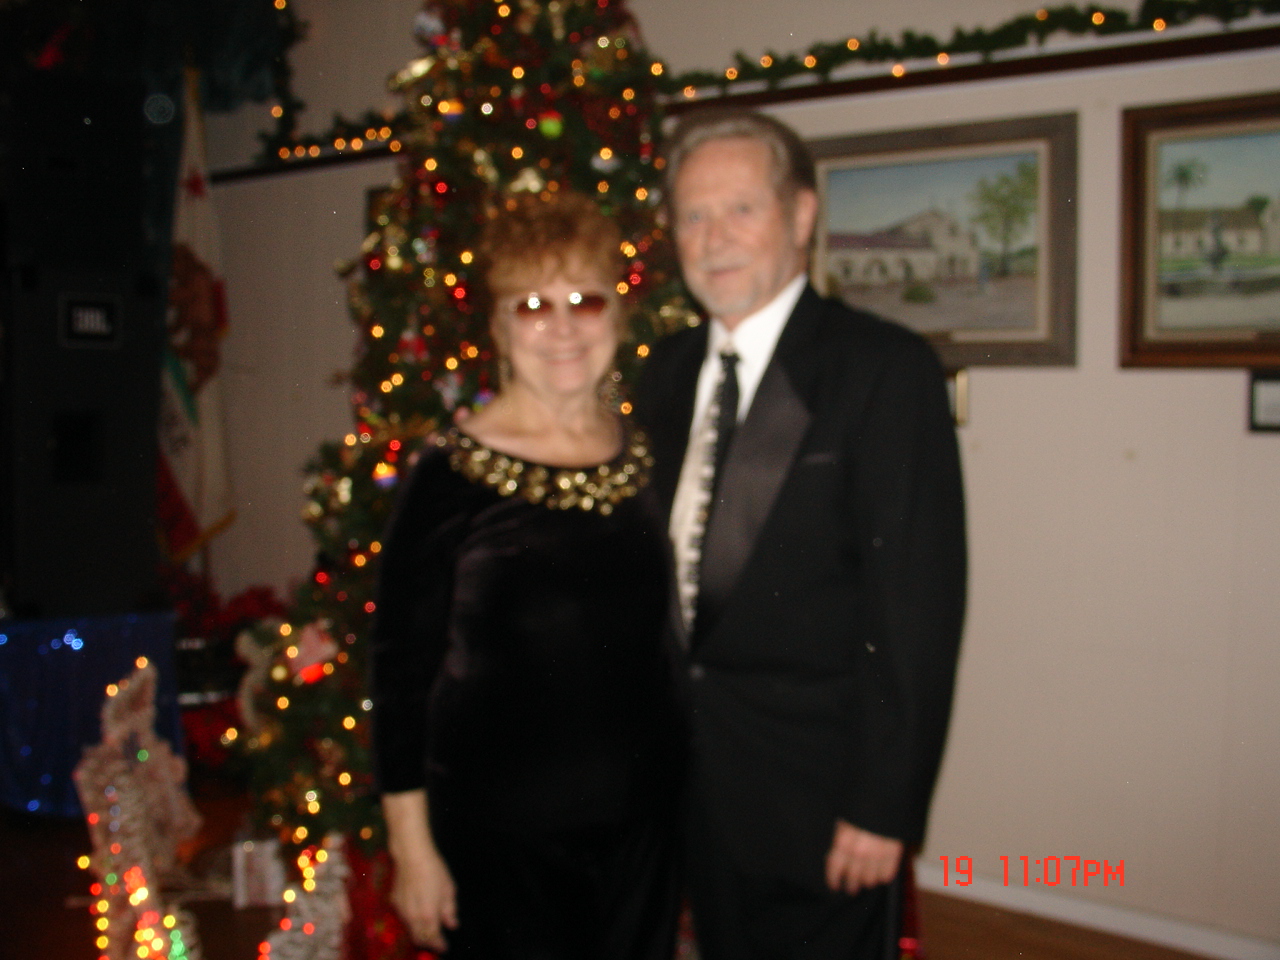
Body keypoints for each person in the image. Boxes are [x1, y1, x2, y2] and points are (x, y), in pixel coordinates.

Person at [634, 109, 967, 959]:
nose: (714, 238)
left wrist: (884, 804)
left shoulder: (883, 369)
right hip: (684, 783)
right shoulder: (660, 373)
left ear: (802, 215)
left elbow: (916, 610)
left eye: (741, 208)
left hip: (819, 795)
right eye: (693, 215)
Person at [370, 191, 685, 960]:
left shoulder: (646, 457)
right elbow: (400, 675)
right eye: (533, 305)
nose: (564, 328)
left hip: (643, 825)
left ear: (618, 316)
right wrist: (412, 849)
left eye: (585, 300)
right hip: (501, 838)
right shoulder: (448, 477)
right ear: (499, 328)